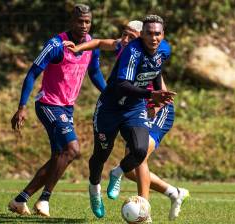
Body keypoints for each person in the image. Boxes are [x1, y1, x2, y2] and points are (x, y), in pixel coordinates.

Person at [66, 19, 189, 220]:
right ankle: (94, 189)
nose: (154, 38)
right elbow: (121, 84)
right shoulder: (131, 50)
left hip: (134, 107)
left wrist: (157, 97)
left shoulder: (162, 49)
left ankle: (117, 174)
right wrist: (152, 96)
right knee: (101, 155)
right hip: (110, 109)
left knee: (140, 150)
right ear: (144, 36)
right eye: (149, 34)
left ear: (162, 34)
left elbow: (156, 71)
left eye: (157, 34)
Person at [8, 4, 106, 217]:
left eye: (87, 22)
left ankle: (20, 199)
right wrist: (21, 107)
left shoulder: (91, 45)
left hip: (67, 108)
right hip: (48, 104)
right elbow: (32, 73)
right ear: (72, 22)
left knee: (58, 157)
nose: (84, 25)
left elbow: (95, 72)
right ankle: (44, 200)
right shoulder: (56, 44)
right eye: (80, 21)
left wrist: (109, 93)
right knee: (72, 149)